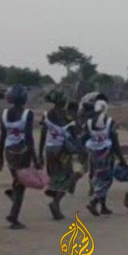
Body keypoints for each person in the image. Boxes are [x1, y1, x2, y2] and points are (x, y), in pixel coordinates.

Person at [0, 85, 41, 230]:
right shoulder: (27, 113)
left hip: (9, 152)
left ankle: (13, 196)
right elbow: (29, 137)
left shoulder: (3, 113)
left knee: (18, 180)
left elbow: (2, 136)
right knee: (21, 185)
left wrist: (0, 157)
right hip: (23, 152)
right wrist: (35, 158)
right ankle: (13, 216)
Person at [39, 90, 81, 220]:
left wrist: (40, 153)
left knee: (55, 175)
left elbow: (42, 136)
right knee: (68, 178)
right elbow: (75, 133)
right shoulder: (67, 116)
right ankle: (55, 203)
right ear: (62, 101)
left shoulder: (46, 115)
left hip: (49, 149)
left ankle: (54, 199)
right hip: (63, 151)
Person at [84, 99, 128, 217]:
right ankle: (94, 201)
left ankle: (103, 206)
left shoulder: (88, 123)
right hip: (106, 155)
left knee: (97, 179)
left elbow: (84, 139)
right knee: (106, 181)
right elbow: (115, 142)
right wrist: (122, 159)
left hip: (93, 154)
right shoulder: (109, 122)